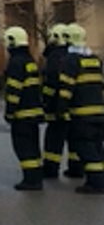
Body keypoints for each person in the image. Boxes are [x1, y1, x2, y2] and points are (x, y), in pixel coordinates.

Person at [57, 23, 104, 194]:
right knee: (97, 147)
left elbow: (66, 89)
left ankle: (96, 183)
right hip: (99, 113)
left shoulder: (70, 61)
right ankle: (98, 179)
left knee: (85, 147)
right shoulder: (95, 60)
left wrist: (61, 110)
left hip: (82, 115)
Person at [2, 26, 44, 191]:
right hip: (34, 113)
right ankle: (36, 177)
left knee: (24, 147)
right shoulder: (30, 61)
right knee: (33, 146)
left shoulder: (16, 63)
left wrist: (10, 112)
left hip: (22, 114)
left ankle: (31, 180)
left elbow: (13, 91)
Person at [41, 22, 71, 179]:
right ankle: (76, 169)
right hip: (73, 106)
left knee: (54, 138)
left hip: (56, 105)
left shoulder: (54, 56)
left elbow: (51, 82)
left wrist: (45, 101)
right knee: (73, 137)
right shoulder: (73, 55)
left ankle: (51, 169)